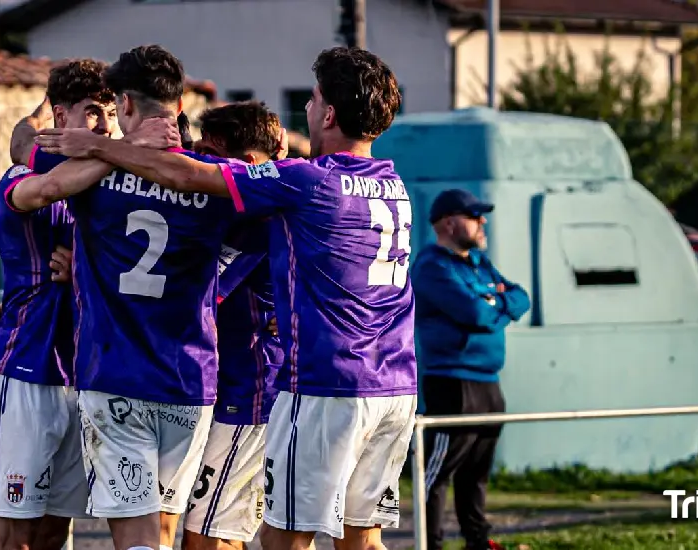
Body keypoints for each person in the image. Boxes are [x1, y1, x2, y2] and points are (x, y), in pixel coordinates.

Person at [33, 45, 417, 550]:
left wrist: (100, 147)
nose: (303, 107)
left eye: (313, 96)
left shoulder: (305, 181)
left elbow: (189, 175)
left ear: (328, 113)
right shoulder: (395, 185)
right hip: (396, 385)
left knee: (281, 540)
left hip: (327, 382)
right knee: (363, 541)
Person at [16, 45, 234, 550]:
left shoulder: (92, 171)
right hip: (189, 380)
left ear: (126, 108)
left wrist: (53, 124)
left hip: (115, 376)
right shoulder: (211, 177)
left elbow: (22, 144)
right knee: (162, 531)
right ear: (179, 108)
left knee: (135, 537)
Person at [0, 59, 116, 550]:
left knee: (57, 532)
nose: (104, 126)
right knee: (18, 536)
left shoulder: (109, 191)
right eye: (93, 112)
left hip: (82, 378)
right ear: (59, 115)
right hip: (24, 373)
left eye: (111, 114)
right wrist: (125, 153)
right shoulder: (23, 177)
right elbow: (43, 175)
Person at [182, 101, 285, 550]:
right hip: (226, 388)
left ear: (243, 165)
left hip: (251, 392)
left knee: (209, 537)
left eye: (207, 155)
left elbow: (197, 287)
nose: (197, 166)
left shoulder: (258, 218)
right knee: (227, 532)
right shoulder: (243, 206)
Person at [410, 189, 530, 550]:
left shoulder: (479, 262)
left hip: (489, 383)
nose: (483, 222)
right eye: (475, 216)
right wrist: (494, 301)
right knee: (437, 474)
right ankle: (429, 544)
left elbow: (522, 296)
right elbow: (475, 315)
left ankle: (477, 542)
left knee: (476, 473)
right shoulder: (432, 266)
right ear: (449, 222)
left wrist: (496, 301)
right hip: (452, 383)